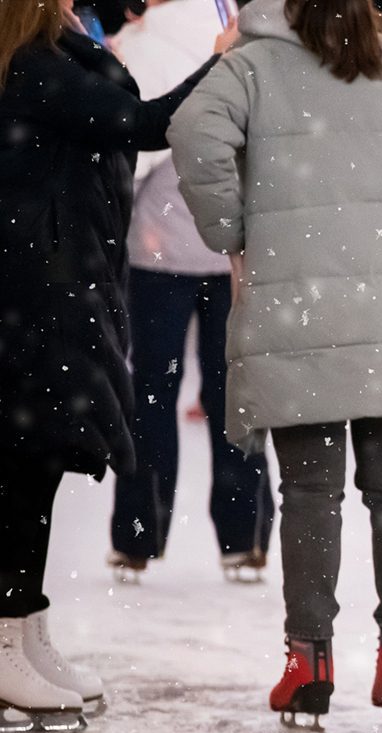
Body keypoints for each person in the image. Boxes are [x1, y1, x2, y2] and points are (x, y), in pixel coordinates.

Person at [170, 0, 382, 727]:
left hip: (302, 309)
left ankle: (309, 662)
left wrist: (231, 229)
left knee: (309, 491)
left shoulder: (251, 67)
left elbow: (192, 133)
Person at [0, 0, 231, 727]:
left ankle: (23, 634)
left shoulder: (52, 52)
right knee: (19, 473)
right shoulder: (31, 66)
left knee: (34, 470)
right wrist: (221, 65)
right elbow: (143, 122)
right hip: (31, 290)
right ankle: (6, 643)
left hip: (49, 283)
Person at [109, 0, 274, 584]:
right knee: (237, 392)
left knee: (152, 390)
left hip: (160, 247)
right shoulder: (244, 27)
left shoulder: (144, 44)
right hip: (233, 239)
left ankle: (138, 533)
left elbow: (136, 147)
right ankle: (244, 535)